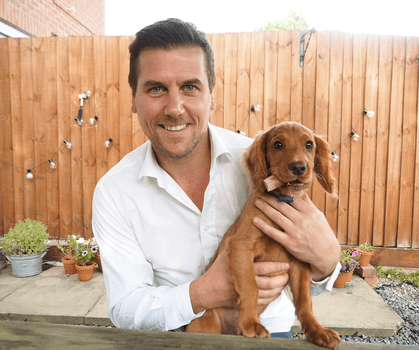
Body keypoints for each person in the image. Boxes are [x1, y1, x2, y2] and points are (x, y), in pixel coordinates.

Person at [92, 18, 341, 337]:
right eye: (156, 88)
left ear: (212, 96)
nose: (175, 108)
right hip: (180, 333)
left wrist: (327, 259)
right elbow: (126, 310)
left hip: (270, 330)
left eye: (190, 87)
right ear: (133, 98)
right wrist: (201, 293)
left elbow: (311, 275)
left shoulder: (260, 161)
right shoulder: (114, 191)